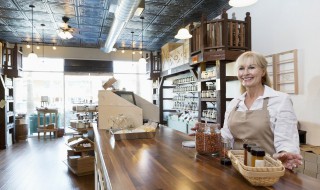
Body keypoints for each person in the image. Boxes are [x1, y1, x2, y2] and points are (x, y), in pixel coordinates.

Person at [220, 51, 302, 170]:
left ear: (263, 72)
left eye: (252, 67)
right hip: (237, 168)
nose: (246, 73)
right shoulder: (234, 103)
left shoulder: (280, 100)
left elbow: (287, 140)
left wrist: (285, 154)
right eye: (241, 68)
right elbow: (226, 138)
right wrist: (207, 132)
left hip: (267, 170)